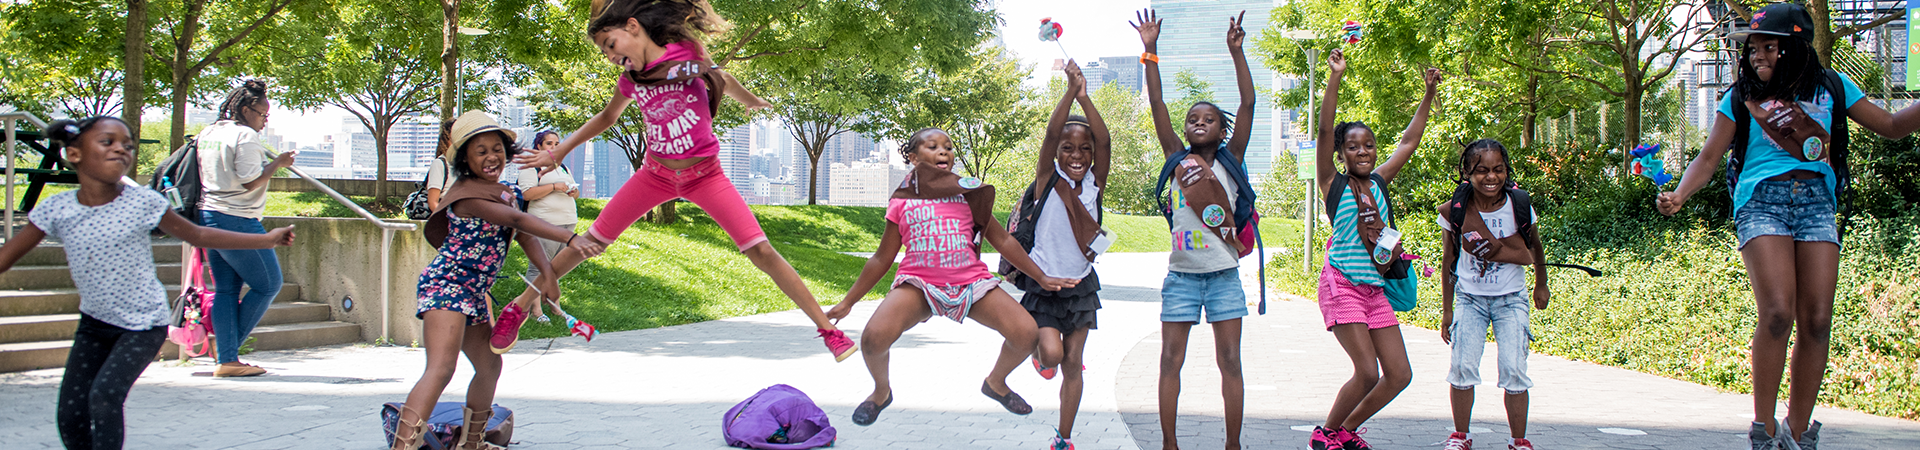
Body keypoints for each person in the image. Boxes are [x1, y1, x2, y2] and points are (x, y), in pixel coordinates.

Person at [504, 0, 856, 360]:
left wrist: (751, 101)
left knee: (761, 251)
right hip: (654, 176)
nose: (609, 56)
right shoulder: (630, 80)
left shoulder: (685, 53)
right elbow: (607, 118)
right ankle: (517, 308)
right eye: (604, 52)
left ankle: (829, 331)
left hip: (705, 176)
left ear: (633, 27)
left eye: (611, 45)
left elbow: (721, 78)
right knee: (587, 243)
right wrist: (558, 151)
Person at [1654, 4, 1920, 449]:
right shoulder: (1741, 96)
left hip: (1817, 202)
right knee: (1778, 313)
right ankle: (1764, 428)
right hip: (1763, 203)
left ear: (1793, 47)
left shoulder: (1833, 86)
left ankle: (1798, 434)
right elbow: (1707, 157)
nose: (1756, 54)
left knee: (1817, 320)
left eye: (1767, 46)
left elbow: (1891, 126)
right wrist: (1680, 194)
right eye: (1752, 46)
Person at [0, 116, 295, 449]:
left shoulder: (142, 201)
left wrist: (266, 240)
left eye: (127, 145)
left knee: (104, 395)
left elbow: (197, 234)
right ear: (74, 154)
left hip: (143, 325)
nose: (121, 149)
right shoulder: (56, 208)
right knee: (70, 413)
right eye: (107, 142)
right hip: (94, 325)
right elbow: (6, 256)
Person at [826, 128, 1077, 427]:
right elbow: (882, 258)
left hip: (970, 283)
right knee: (873, 339)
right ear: (913, 157)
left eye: (948, 147)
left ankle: (996, 383)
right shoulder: (902, 200)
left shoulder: (969, 194)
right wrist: (849, 302)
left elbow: (1004, 241)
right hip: (919, 286)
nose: (944, 151)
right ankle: (880, 393)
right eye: (933, 146)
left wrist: (1040, 276)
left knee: (1025, 333)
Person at [389, 111, 604, 450]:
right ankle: (403, 446)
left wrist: (548, 276)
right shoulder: (467, 193)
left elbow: (521, 233)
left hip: (474, 292)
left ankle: (472, 443)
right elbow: (516, 218)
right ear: (464, 159)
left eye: (497, 148)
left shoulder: (506, 191)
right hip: (448, 284)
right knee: (442, 368)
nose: (491, 157)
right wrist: (570, 239)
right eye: (480, 151)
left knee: (490, 365)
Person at [1134, 9, 1257, 449]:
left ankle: (1233, 444)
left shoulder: (1232, 159)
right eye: (1193, 119)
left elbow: (1247, 104)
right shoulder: (1175, 158)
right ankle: (1169, 443)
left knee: (1230, 363)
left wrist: (1236, 53)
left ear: (1223, 131)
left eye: (1208, 119)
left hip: (1223, 278)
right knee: (1170, 361)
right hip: (1181, 278)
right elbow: (1157, 104)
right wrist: (1150, 51)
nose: (1199, 123)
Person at [1308, 48, 1441, 450]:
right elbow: (1325, 129)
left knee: (1399, 374)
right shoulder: (1333, 184)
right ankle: (1326, 433)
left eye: (1368, 145)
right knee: (1366, 372)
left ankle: (1344, 431)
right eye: (1353, 146)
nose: (1362, 151)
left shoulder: (1380, 182)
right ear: (1341, 153)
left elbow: (1410, 140)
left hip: (1375, 291)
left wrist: (1429, 94)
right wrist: (1335, 77)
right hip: (1343, 285)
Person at [999, 60, 1111, 450]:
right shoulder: (1048, 180)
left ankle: (1063, 438)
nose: (1076, 155)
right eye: (1068, 148)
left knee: (1072, 363)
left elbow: (1106, 140)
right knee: (1051, 353)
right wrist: (1069, 92)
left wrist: (1085, 96)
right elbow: (1049, 135)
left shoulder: (1095, 184)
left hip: (1080, 287)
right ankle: (1039, 357)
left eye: (1084, 149)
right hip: (1044, 285)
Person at [1436, 139, 1549, 450]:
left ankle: (1519, 440)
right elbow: (1449, 260)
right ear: (1467, 173)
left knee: (1514, 369)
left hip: (1511, 299)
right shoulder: (1456, 211)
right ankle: (1460, 436)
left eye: (1498, 170)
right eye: (1481, 170)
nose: (1491, 177)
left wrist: (1542, 283)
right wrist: (1448, 310)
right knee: (1462, 367)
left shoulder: (1520, 205)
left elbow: (1535, 247)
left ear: (1506, 171)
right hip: (1469, 299)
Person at [195, 79, 296, 377]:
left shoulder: (210, 132)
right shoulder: (246, 137)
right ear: (244, 108)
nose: (264, 123)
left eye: (267, 117)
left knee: (226, 289)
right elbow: (250, 180)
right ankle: (227, 352)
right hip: (238, 219)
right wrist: (278, 162)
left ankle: (227, 359)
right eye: (262, 115)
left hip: (209, 214)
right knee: (269, 283)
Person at [508, 130, 581, 321]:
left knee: (556, 268)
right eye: (549, 143)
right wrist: (554, 187)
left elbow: (575, 191)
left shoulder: (563, 167)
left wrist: (573, 192)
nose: (554, 147)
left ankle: (554, 305)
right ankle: (535, 310)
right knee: (538, 267)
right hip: (545, 223)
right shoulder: (531, 167)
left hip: (567, 221)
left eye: (557, 144)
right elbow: (528, 194)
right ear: (539, 146)